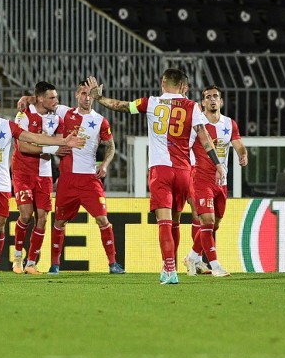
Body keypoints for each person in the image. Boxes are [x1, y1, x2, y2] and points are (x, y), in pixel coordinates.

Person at [89, 69, 225, 285]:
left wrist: (98, 97)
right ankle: (171, 268)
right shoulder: (193, 107)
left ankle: (169, 269)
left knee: (164, 222)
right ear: (184, 86)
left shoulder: (151, 102)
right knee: (176, 222)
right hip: (183, 171)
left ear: (163, 82)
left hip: (160, 170)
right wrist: (218, 164)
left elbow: (122, 105)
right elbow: (205, 137)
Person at [0, 90, 83, 282]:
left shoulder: (7, 126)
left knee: (0, 227)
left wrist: (63, 140)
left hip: (2, 185)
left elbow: (34, 138)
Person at [47, 80, 125, 275]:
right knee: (59, 222)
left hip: (90, 179)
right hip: (68, 179)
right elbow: (45, 101)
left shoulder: (100, 120)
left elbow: (111, 146)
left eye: (90, 94)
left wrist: (105, 165)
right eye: (83, 93)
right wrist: (27, 99)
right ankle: (55, 265)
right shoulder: (64, 112)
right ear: (76, 95)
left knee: (103, 219)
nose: (87, 98)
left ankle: (113, 263)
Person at [183, 85, 248, 277]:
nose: (212, 99)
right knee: (208, 221)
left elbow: (239, 145)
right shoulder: (197, 123)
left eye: (215, 96)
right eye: (208, 97)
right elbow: (184, 149)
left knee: (214, 224)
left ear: (221, 102)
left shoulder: (229, 123)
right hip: (200, 178)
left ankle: (192, 257)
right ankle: (216, 266)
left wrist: (243, 155)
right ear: (203, 102)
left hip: (221, 180)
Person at [11, 81, 65, 275]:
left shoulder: (57, 117)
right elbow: (23, 146)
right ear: (40, 99)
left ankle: (31, 262)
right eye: (52, 97)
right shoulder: (24, 115)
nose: (56, 101)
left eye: (56, 97)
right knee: (25, 215)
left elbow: (60, 144)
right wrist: (49, 147)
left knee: (42, 218)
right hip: (23, 172)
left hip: (45, 173)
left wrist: (59, 147)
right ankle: (17, 258)